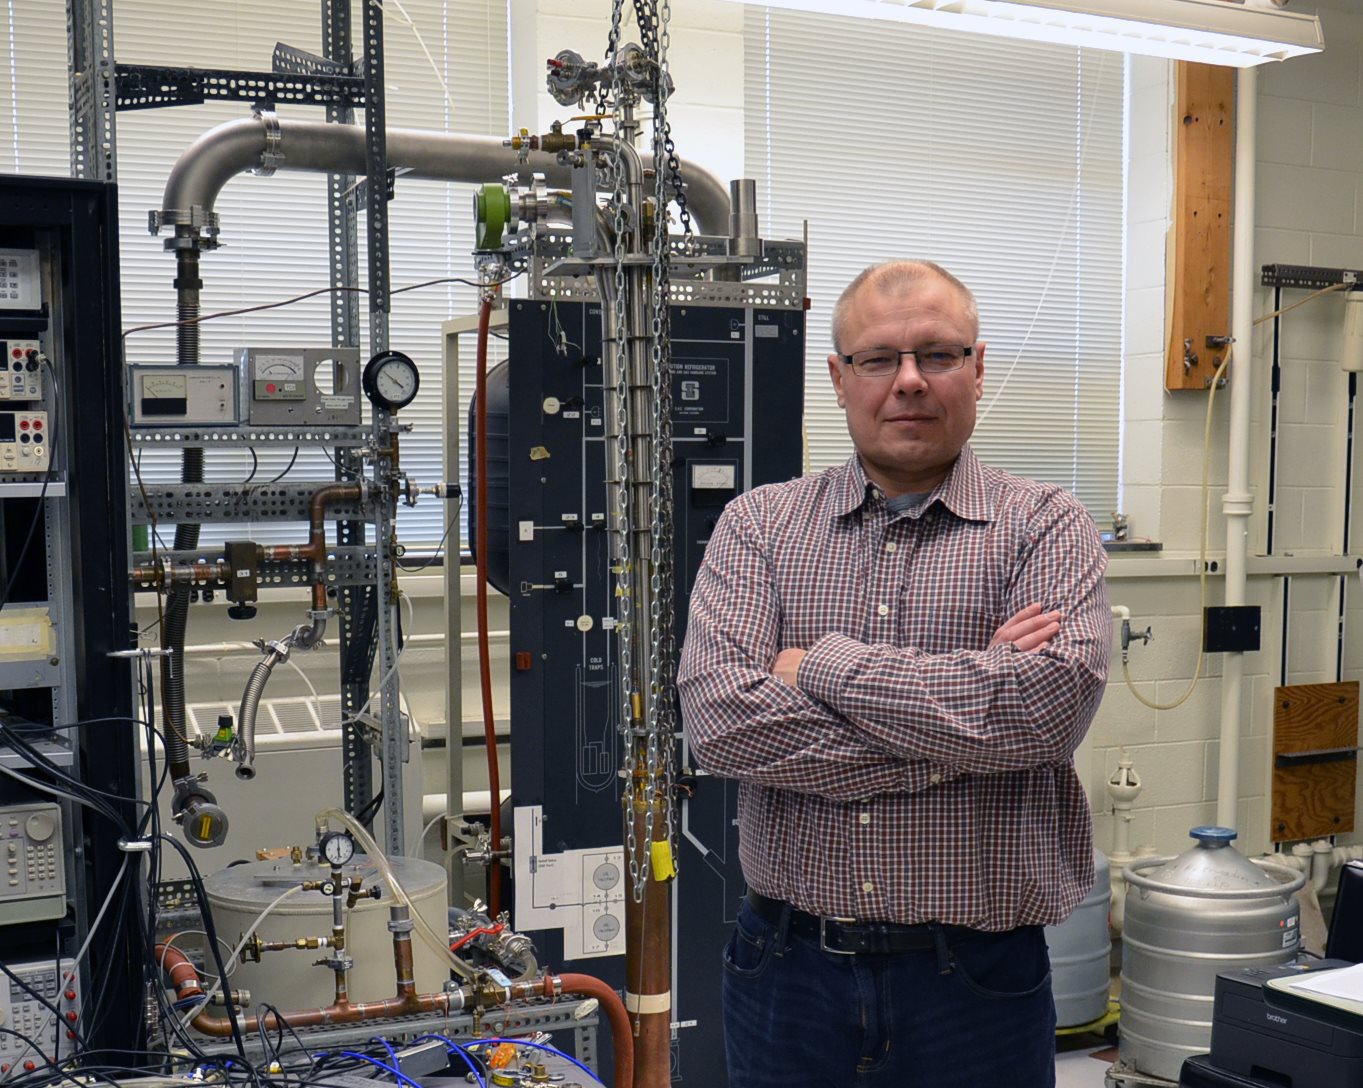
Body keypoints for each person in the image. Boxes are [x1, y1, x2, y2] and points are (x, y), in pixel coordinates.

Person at [677, 259, 1110, 1087]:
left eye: (937, 355)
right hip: (786, 971)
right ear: (839, 380)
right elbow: (722, 722)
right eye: (878, 360)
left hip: (976, 984)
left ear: (977, 370)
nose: (908, 381)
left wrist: (819, 668)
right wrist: (969, 720)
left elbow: (1045, 714)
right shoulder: (759, 525)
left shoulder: (1045, 523)